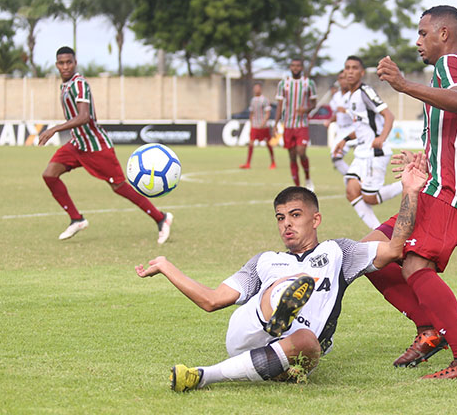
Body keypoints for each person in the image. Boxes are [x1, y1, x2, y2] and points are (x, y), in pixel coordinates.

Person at [134, 156, 428, 391]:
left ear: (316, 219)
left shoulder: (339, 252)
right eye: (280, 217)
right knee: (289, 285)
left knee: (309, 342)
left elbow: (395, 248)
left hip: (298, 347)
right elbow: (212, 300)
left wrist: (410, 191)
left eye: (295, 215)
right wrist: (166, 266)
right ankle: (279, 308)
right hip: (249, 331)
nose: (286, 223)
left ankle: (203, 376)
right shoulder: (265, 261)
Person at [369, 5, 457, 379]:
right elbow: (455, 128)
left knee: (415, 264)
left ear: (443, 34)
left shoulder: (450, 63)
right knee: (371, 254)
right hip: (436, 184)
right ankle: (430, 330)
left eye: (423, 33)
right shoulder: (444, 73)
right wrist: (425, 159)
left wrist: (403, 84)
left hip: (452, 191)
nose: (418, 41)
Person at [38, 46, 173, 244]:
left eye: (69, 62)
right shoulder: (65, 86)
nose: (65, 66)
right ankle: (77, 219)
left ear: (75, 63)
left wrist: (54, 129)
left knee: (119, 186)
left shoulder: (79, 84)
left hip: (96, 146)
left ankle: (161, 218)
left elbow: (84, 117)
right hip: (77, 144)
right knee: (49, 175)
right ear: (56, 65)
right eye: (61, 63)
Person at [332, 56, 402, 229]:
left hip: (374, 152)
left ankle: (407, 183)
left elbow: (389, 115)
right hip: (362, 152)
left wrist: (381, 138)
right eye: (347, 68)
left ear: (362, 73)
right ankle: (378, 233)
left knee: (370, 198)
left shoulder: (365, 91)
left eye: (354, 68)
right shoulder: (351, 96)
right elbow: (362, 126)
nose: (350, 71)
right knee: (351, 190)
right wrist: (345, 140)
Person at [275, 58, 317, 191]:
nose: (295, 68)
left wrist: (306, 109)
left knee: (301, 152)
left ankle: (308, 178)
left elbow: (314, 103)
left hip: (302, 124)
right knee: (292, 156)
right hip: (288, 125)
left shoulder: (309, 83)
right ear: (290, 67)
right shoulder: (283, 84)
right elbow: (279, 105)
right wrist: (275, 123)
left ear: (302, 67)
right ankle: (297, 187)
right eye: (293, 65)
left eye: (298, 66)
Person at [240, 83, 276, 170]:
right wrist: (251, 124)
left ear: (260, 89)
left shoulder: (265, 100)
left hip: (264, 126)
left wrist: (263, 123)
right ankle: (248, 163)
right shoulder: (252, 100)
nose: (256, 90)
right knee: (251, 143)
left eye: (257, 88)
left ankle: (273, 162)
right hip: (255, 126)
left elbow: (267, 113)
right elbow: (251, 113)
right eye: (255, 88)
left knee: (268, 144)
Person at [325, 71, 354, 175]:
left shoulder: (354, 94)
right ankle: (354, 178)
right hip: (341, 130)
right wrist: (329, 121)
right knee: (336, 158)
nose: (343, 81)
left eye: (345, 78)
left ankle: (360, 179)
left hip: (354, 129)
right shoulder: (336, 96)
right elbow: (337, 114)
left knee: (363, 158)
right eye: (341, 78)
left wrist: (346, 111)